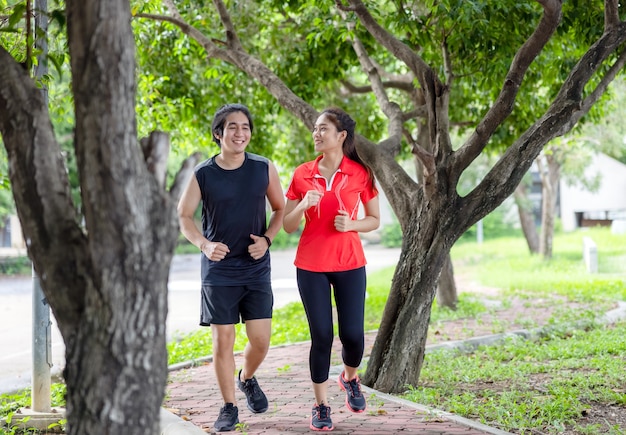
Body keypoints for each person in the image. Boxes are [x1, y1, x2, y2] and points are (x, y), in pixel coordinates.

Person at [177, 103, 285, 432]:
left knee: (261, 340)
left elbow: (280, 209)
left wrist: (266, 239)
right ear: (218, 134)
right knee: (223, 340)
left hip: (255, 266)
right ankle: (228, 407)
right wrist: (204, 244)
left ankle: (247, 378)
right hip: (219, 270)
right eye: (232, 127)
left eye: (245, 127)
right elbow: (184, 216)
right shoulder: (203, 174)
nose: (240, 133)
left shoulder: (263, 168)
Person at [283, 107, 380, 431]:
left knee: (352, 336)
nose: (316, 133)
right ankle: (321, 406)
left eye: (323, 128)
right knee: (321, 336)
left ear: (341, 136)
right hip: (311, 265)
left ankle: (350, 377)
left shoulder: (360, 173)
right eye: (315, 128)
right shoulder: (301, 174)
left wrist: (351, 223)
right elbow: (287, 225)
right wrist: (301, 205)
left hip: (350, 263)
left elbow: (374, 219)